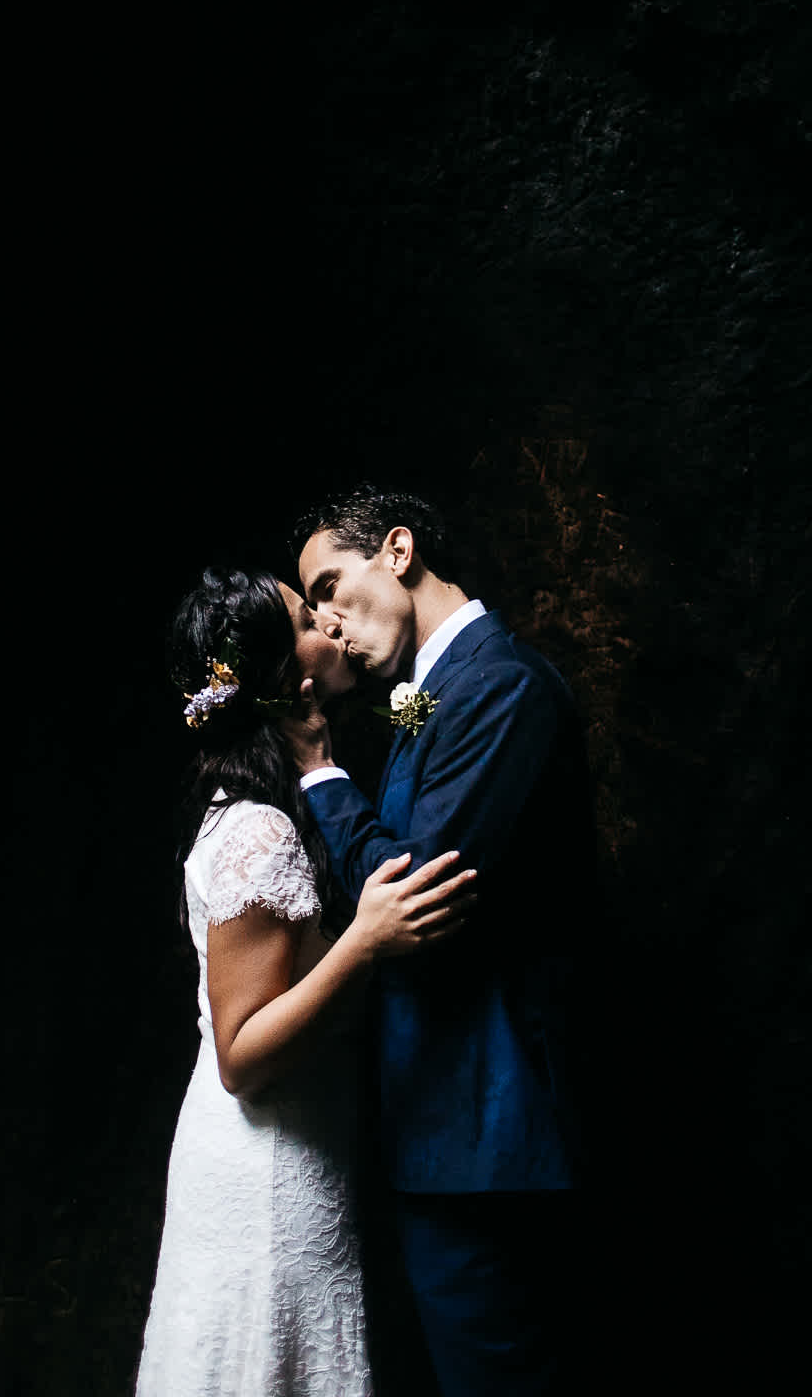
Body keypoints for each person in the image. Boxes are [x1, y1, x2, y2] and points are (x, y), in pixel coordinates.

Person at [135, 566, 478, 1397]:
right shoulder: (257, 824)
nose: (331, 619)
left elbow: (436, 722)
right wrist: (364, 942)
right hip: (265, 1169)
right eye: (307, 617)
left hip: (310, 1145)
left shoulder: (338, 733)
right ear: (285, 677)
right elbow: (241, 1056)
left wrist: (456, 685)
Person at [283, 485, 594, 1397]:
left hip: (488, 1143)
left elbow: (411, 896)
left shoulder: (501, 684)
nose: (329, 622)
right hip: (443, 1135)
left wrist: (319, 774)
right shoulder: (426, 696)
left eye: (333, 587)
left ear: (400, 549)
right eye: (313, 611)